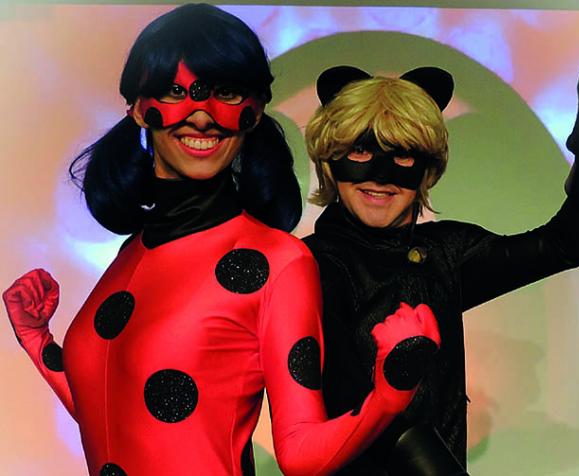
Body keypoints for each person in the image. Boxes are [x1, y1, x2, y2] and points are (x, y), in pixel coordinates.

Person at [2, 5, 441, 475]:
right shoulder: (134, 251)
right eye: (176, 91)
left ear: (253, 111)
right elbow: (115, 416)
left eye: (227, 93)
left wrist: (389, 393)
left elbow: (300, 453)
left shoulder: (280, 261)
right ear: (138, 107)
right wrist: (37, 339)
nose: (203, 115)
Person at [302, 64, 579, 475]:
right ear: (330, 159)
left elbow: (565, 245)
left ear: (426, 167)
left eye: (402, 154)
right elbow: (349, 400)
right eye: (360, 151)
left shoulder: (444, 253)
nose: (380, 176)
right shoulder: (306, 266)